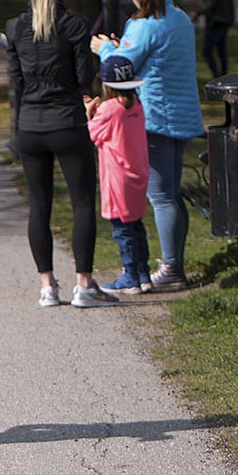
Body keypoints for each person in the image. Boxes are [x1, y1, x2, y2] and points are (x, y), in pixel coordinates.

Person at [6, 0, 116, 308]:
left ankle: (47, 285)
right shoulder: (74, 26)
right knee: (82, 201)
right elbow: (84, 77)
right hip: (67, 120)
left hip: (30, 125)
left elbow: (17, 79)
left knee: (39, 205)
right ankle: (84, 284)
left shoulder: (15, 28)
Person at [93, 0, 203, 292]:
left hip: (155, 117)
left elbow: (123, 68)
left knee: (161, 197)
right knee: (171, 194)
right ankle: (175, 264)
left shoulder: (143, 26)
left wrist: (105, 49)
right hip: (182, 114)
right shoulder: (180, 18)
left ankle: (170, 268)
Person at [86, 56, 152, 295]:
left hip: (117, 178)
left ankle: (130, 276)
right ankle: (144, 274)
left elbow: (93, 134)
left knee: (121, 228)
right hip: (138, 173)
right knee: (136, 225)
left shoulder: (109, 108)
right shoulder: (137, 105)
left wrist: (88, 113)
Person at [190, 0, 235, 78]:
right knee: (221, 50)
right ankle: (224, 74)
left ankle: (216, 74)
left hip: (215, 20)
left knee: (207, 51)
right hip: (226, 19)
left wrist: (198, 12)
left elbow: (211, 2)